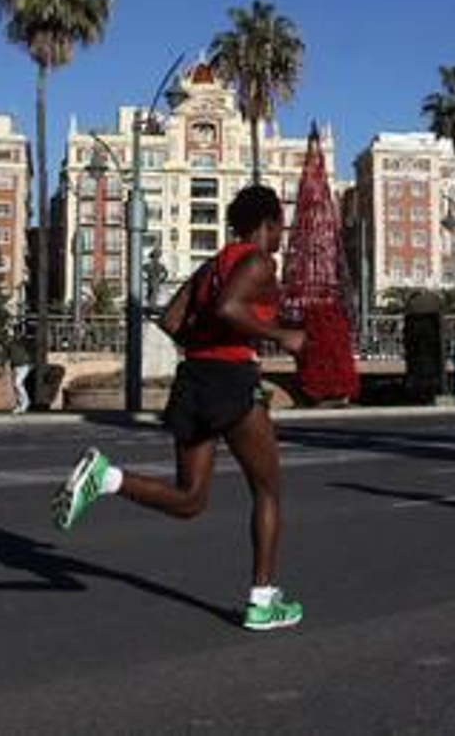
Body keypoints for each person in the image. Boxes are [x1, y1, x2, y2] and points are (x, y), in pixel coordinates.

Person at [51, 185, 307, 631]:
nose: (281, 235)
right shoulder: (258, 262)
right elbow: (229, 308)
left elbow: (170, 319)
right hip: (231, 381)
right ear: (269, 223)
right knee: (268, 491)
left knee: (190, 500)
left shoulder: (212, 266)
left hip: (194, 379)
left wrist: (205, 345)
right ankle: (263, 601)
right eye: (280, 226)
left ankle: (106, 478)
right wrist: (282, 336)